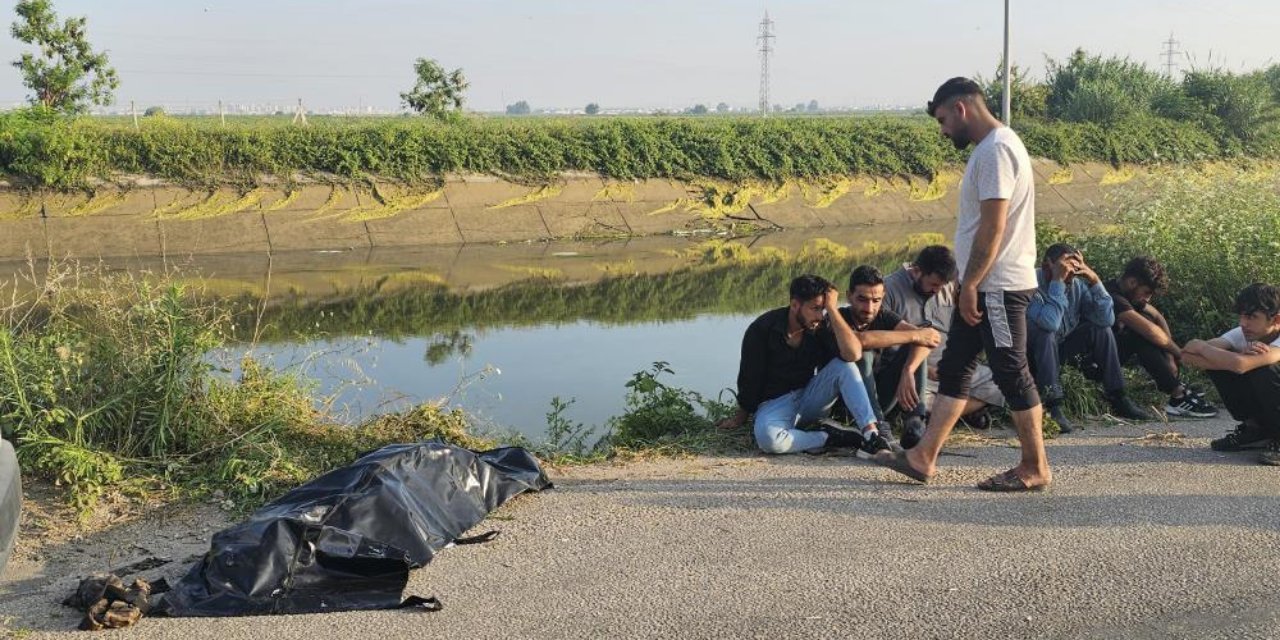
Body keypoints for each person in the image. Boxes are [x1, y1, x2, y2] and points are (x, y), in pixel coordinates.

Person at [878, 77, 1049, 491]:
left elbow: (994, 225)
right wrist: (969, 283)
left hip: (998, 286)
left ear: (960, 109)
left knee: (1011, 370)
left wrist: (970, 283)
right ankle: (923, 458)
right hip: (984, 284)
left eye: (942, 120)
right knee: (956, 368)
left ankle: (1035, 467)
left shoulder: (996, 150)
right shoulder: (991, 150)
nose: (942, 131)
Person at [717, 274, 888, 457]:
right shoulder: (762, 329)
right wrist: (740, 417)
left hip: (809, 396)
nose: (819, 316)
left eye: (822, 309)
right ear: (795, 305)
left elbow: (853, 354)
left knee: (844, 366)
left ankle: (871, 434)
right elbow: (749, 378)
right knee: (768, 440)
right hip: (773, 404)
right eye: (815, 308)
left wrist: (831, 308)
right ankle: (829, 437)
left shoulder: (820, 326)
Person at [881, 245, 1007, 448]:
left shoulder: (948, 287)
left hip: (950, 366)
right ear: (916, 271)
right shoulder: (889, 290)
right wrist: (927, 370)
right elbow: (886, 346)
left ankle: (940, 420)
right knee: (919, 397)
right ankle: (939, 416)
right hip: (915, 370)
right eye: (933, 284)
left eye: (942, 286)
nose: (938, 290)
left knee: (1001, 381)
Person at [1026, 243, 1152, 432]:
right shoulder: (1029, 285)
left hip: (1060, 351)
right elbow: (1050, 323)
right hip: (1033, 358)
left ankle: (1118, 395)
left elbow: (1106, 320)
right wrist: (1057, 283)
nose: (1070, 276)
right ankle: (1054, 405)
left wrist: (1094, 280)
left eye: (1074, 270)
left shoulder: (1077, 285)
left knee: (1101, 330)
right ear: (1046, 266)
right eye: (1065, 269)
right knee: (1046, 333)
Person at [840, 265, 941, 448]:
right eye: (862, 299)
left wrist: (908, 369)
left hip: (882, 398)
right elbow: (860, 341)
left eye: (876, 300)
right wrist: (914, 335)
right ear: (849, 296)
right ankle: (877, 424)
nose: (869, 308)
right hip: (848, 407)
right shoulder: (838, 319)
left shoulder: (883, 316)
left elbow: (929, 338)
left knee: (916, 348)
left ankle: (915, 423)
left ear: (883, 298)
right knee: (863, 354)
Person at [1105, 257, 1217, 418]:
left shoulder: (1128, 293)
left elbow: (1157, 316)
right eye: (1147, 293)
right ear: (1132, 282)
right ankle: (1178, 394)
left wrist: (1170, 358)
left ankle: (1176, 386)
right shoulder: (1112, 295)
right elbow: (1149, 331)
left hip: (1112, 352)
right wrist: (1181, 354)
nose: (1148, 298)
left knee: (1147, 319)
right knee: (1139, 334)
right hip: (1092, 360)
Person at [1181, 283, 1280, 465]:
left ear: (1276, 320)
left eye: (1251, 317)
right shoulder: (1246, 332)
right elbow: (1187, 355)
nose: (1243, 323)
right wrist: (1231, 359)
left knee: (1264, 369)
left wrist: (1203, 346)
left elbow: (1240, 365)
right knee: (1220, 364)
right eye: (1241, 316)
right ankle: (1257, 431)